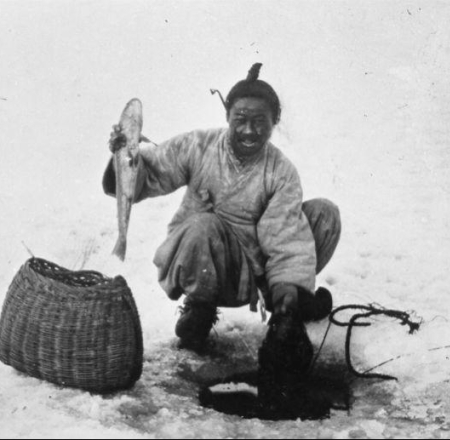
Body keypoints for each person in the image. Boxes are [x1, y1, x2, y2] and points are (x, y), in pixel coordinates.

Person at [102, 63, 341, 372]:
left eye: (260, 122)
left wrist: (286, 304)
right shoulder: (198, 145)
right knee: (204, 224)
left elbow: (285, 237)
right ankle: (199, 310)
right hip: (206, 265)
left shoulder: (281, 172)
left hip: (258, 274)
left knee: (324, 215)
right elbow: (150, 171)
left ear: (275, 122)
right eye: (240, 120)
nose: (249, 131)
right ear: (227, 116)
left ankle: (289, 303)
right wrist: (124, 157)